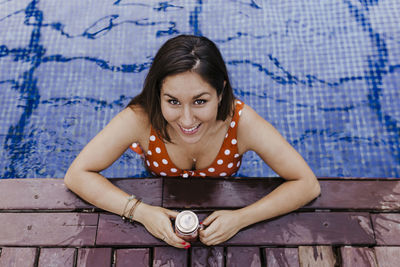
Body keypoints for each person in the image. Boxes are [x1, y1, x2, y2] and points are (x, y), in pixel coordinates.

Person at [64, 34, 320, 249]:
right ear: (158, 95)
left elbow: (307, 185)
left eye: (200, 101)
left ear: (220, 92)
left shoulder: (242, 123)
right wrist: (141, 212)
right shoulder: (139, 119)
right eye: (173, 101)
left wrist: (241, 218)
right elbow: (77, 175)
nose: (187, 120)